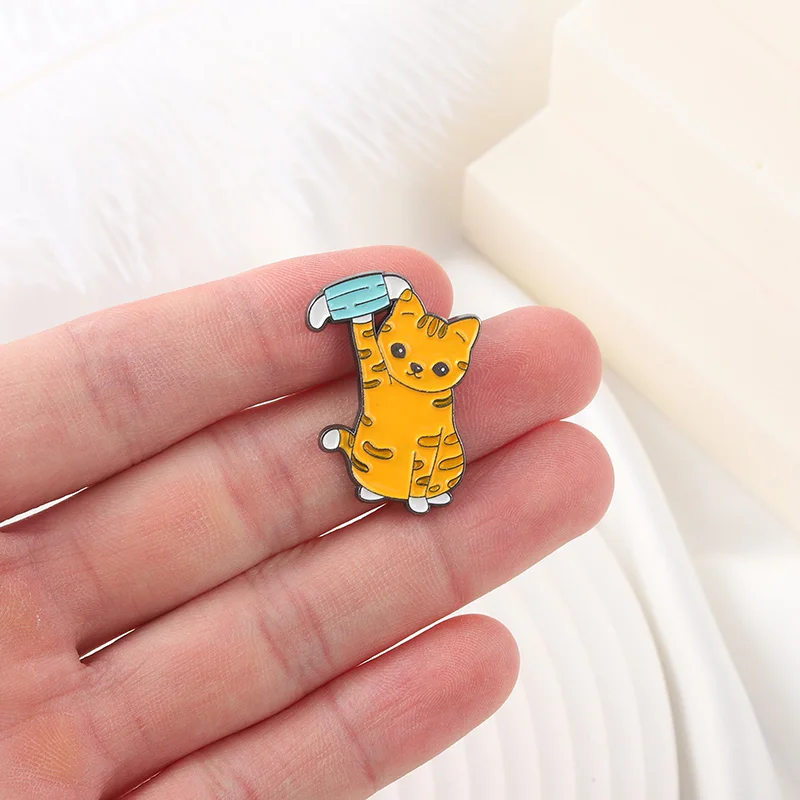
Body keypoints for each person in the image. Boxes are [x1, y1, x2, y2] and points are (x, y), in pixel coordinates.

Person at [0, 246, 612, 799]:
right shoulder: (381, 365)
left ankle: (406, 480)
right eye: (403, 353)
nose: (413, 370)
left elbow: (406, 391)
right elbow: (370, 349)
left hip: (420, 464)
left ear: (455, 364)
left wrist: (427, 477)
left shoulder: (428, 394)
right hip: (377, 454)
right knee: (373, 447)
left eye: (436, 370)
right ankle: (373, 468)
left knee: (432, 457)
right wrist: (352, 320)